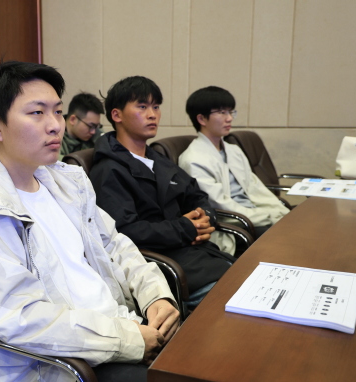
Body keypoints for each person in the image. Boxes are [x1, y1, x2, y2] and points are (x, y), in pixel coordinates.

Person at [0, 62, 180, 382]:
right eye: (37, 113)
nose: (55, 125)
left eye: (57, 111)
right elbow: (20, 318)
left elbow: (115, 245)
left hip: (122, 328)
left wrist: (155, 295)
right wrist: (127, 339)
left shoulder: (66, 181)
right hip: (61, 369)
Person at [89, 76, 235, 311]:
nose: (152, 115)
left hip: (198, 253)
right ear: (117, 115)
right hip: (163, 266)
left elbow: (195, 195)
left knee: (252, 280)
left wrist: (205, 218)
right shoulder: (108, 170)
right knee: (241, 297)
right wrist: (185, 228)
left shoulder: (157, 158)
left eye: (156, 107)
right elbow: (125, 232)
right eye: (142, 106)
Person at [179, 86, 289, 238]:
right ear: (201, 119)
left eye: (230, 112)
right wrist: (268, 216)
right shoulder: (193, 159)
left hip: (256, 215)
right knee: (287, 237)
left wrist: (281, 212)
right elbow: (220, 205)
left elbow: (254, 187)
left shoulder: (234, 150)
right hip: (236, 224)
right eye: (221, 112)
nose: (229, 118)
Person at [59, 92, 104, 159]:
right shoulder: (53, 137)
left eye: (96, 126)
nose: (93, 132)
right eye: (90, 126)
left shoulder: (97, 135)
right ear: (73, 120)